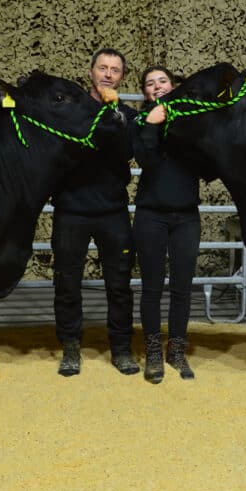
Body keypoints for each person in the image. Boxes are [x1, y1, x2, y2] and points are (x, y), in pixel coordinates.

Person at [50, 48, 139, 377]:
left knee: (119, 284)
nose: (108, 74)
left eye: (115, 70)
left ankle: (121, 348)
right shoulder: (69, 110)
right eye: (102, 67)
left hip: (112, 210)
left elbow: (128, 151)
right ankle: (70, 347)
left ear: (121, 78)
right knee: (67, 283)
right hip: (71, 209)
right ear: (90, 72)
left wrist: (114, 113)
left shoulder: (126, 115)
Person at [132, 66, 200, 383]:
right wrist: (151, 123)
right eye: (150, 83)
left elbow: (204, 163)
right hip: (151, 214)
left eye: (162, 81)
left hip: (186, 216)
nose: (157, 86)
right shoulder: (139, 121)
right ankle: (154, 353)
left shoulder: (189, 121)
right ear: (145, 92)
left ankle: (176, 351)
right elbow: (145, 160)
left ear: (172, 86)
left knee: (182, 287)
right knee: (152, 287)